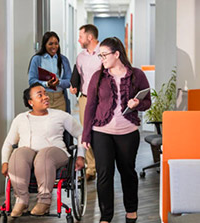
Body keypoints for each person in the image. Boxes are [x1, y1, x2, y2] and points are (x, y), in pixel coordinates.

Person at [82, 37, 151, 223]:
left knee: (127, 172)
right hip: (101, 131)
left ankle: (131, 211)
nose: (102, 59)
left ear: (117, 54)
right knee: (104, 174)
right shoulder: (98, 77)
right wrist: (86, 134)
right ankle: (105, 217)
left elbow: (147, 102)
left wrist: (137, 103)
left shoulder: (137, 75)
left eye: (105, 55)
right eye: (100, 55)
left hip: (128, 132)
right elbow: (90, 106)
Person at [1, 82, 85, 217]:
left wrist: (81, 156)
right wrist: (5, 162)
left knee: (44, 155)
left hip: (55, 153)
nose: (45, 97)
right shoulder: (21, 119)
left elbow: (81, 134)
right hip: (28, 154)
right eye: (40, 95)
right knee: (18, 153)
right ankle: (21, 200)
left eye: (45, 94)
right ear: (30, 102)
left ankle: (44, 201)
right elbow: (9, 143)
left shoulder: (60, 115)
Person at [70, 24, 101, 181]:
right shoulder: (80, 56)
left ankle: (104, 166)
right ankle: (91, 167)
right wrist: (73, 85)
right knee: (85, 132)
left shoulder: (104, 52)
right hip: (85, 98)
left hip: (102, 100)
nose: (78, 39)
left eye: (81, 36)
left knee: (101, 132)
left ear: (90, 37)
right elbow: (77, 74)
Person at [28, 32, 72, 113]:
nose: (54, 46)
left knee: (59, 124)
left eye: (56, 43)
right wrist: (46, 84)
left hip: (60, 98)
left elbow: (69, 81)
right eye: (50, 44)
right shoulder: (37, 59)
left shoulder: (63, 60)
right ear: (45, 45)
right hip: (43, 97)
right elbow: (31, 81)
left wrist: (59, 82)